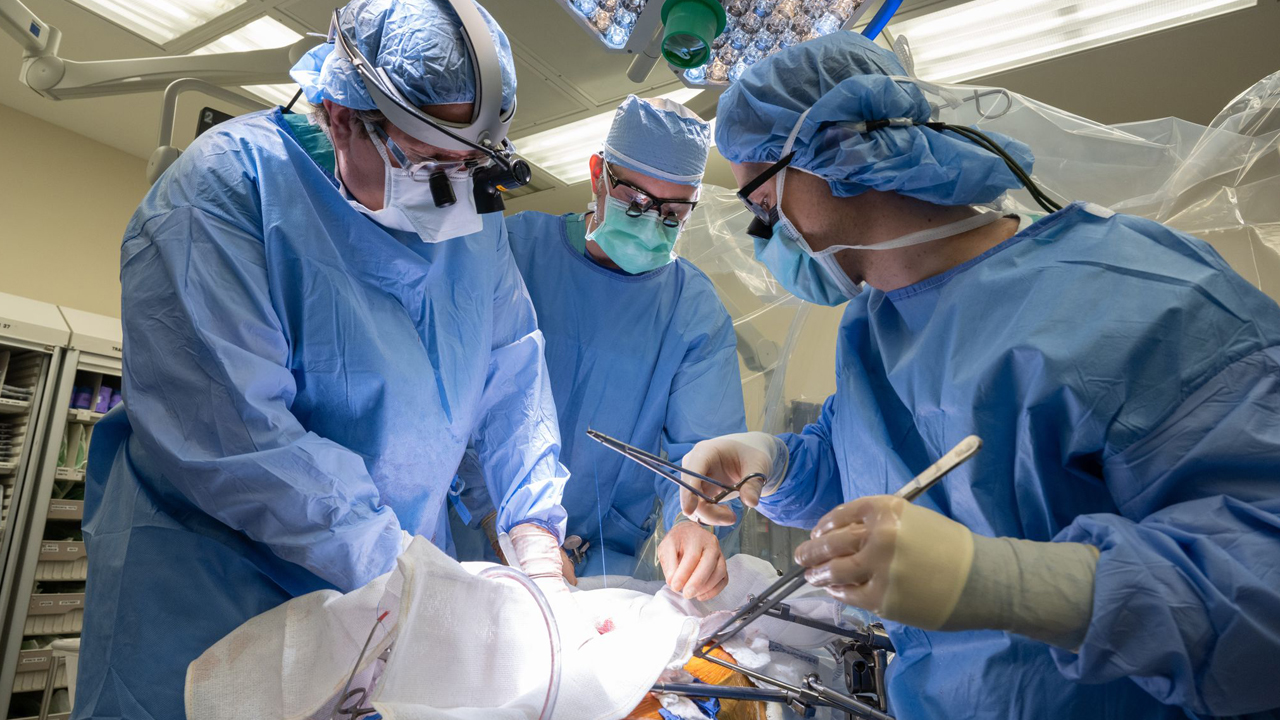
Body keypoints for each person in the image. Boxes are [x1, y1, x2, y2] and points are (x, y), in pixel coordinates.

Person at [678, 33, 1280, 720]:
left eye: (760, 205)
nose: (763, 236)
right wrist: (772, 464)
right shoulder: (874, 327)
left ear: (832, 156)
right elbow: (879, 476)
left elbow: (1262, 572)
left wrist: (1008, 586)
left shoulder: (1140, 295)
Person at [74, 2, 579, 717]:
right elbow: (236, 437)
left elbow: (510, 383)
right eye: (430, 161)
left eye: (473, 166)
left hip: (381, 624)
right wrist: (404, 575)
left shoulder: (471, 233)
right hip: (218, 605)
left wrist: (531, 534)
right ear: (342, 115)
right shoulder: (222, 194)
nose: (451, 193)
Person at [450, 95, 747, 601]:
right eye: (636, 202)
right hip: (473, 546)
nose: (653, 223)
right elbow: (450, 398)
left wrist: (697, 526)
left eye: (674, 213)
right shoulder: (513, 251)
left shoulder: (692, 312)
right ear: (598, 175)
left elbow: (703, 455)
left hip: (598, 568)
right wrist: (499, 519)